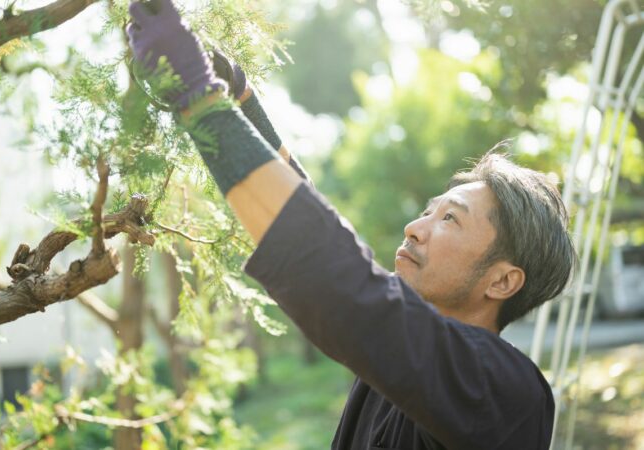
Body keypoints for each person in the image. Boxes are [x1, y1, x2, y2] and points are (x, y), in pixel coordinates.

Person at [127, 1, 576, 448]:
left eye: (451, 219)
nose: (414, 229)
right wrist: (241, 102)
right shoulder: (401, 366)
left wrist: (199, 97)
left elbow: (346, 288)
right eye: (428, 210)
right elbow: (338, 259)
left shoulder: (505, 393)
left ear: (501, 281)